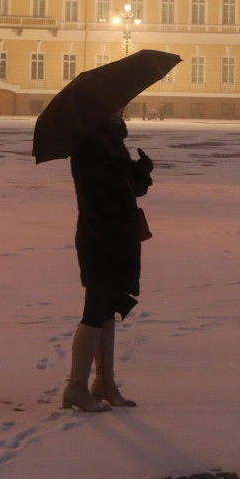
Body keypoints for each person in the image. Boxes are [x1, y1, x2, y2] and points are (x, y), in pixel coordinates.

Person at [63, 113, 153, 412]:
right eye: (115, 109)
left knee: (109, 307)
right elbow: (100, 194)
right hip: (100, 236)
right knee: (95, 308)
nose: (121, 112)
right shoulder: (89, 146)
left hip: (119, 235)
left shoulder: (113, 144)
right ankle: (76, 388)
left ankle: (104, 383)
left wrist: (140, 172)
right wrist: (125, 172)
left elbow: (130, 190)